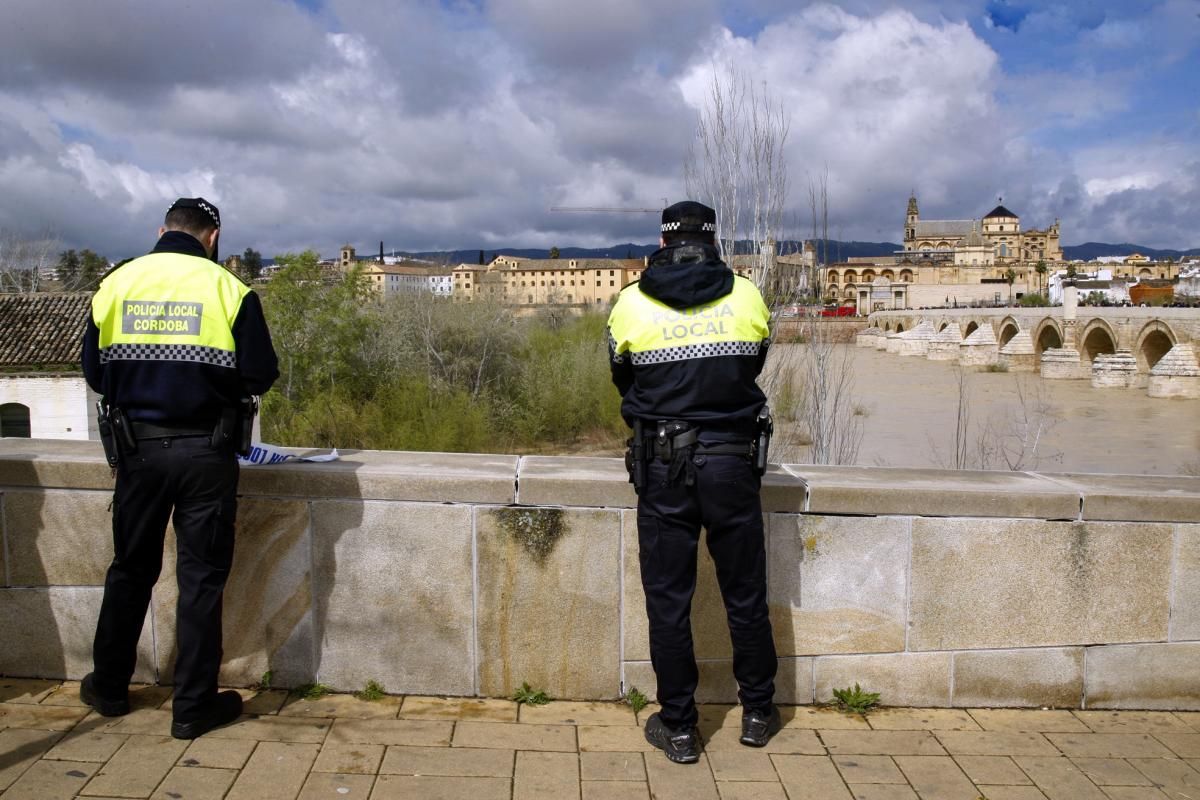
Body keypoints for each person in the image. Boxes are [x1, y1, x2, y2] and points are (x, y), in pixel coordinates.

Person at [80, 197, 279, 739]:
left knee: (130, 569)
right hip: (205, 455)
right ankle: (192, 707)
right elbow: (261, 373)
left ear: (162, 230)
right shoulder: (229, 291)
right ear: (212, 237)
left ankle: (110, 688)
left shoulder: (116, 284)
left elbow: (96, 373)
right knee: (201, 581)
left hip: (137, 454)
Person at [607, 201, 779, 764]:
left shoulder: (630, 303)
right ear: (712, 240)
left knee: (668, 601)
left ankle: (679, 727)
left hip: (662, 463)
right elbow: (752, 364)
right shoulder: (747, 294)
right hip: (730, 459)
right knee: (745, 593)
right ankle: (757, 713)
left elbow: (622, 377)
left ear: (662, 238)